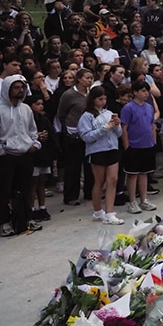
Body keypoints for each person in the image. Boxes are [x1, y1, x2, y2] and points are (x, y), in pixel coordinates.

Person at [0, 75, 43, 235]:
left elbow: (32, 130)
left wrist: (35, 145)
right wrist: (3, 151)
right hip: (6, 156)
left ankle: (27, 219)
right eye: (16, 87)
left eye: (21, 88)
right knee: (4, 191)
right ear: (8, 89)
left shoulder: (26, 109)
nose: (19, 90)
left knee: (25, 189)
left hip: (25, 154)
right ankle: (4, 223)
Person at [76, 86, 124, 224]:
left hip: (112, 149)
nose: (103, 101)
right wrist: (104, 129)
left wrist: (116, 125)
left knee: (113, 180)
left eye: (105, 99)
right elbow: (86, 136)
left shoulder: (109, 113)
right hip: (97, 151)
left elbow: (119, 133)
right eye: (100, 99)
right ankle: (97, 210)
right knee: (100, 182)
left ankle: (110, 212)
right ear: (93, 100)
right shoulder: (87, 116)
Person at [119, 80, 157, 214]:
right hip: (134, 146)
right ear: (135, 92)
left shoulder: (149, 107)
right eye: (143, 91)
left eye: (147, 90)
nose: (146, 93)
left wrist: (154, 142)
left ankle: (144, 199)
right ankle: (132, 202)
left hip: (148, 145)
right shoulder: (128, 108)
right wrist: (127, 146)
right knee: (132, 175)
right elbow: (124, 128)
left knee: (144, 174)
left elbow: (152, 125)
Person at [59, 68, 95, 205]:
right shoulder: (69, 95)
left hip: (89, 133)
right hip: (73, 134)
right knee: (73, 166)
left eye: (91, 78)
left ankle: (89, 192)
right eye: (87, 77)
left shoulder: (91, 94)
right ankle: (71, 196)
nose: (90, 80)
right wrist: (68, 128)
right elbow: (61, 113)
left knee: (89, 164)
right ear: (79, 79)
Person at [28, 93, 55, 221]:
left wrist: (46, 135)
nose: (40, 106)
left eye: (41, 104)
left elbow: (52, 133)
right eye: (37, 104)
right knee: (33, 182)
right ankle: (31, 209)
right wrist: (36, 136)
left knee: (41, 182)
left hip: (44, 154)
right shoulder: (28, 119)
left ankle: (42, 207)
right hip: (33, 155)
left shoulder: (44, 119)